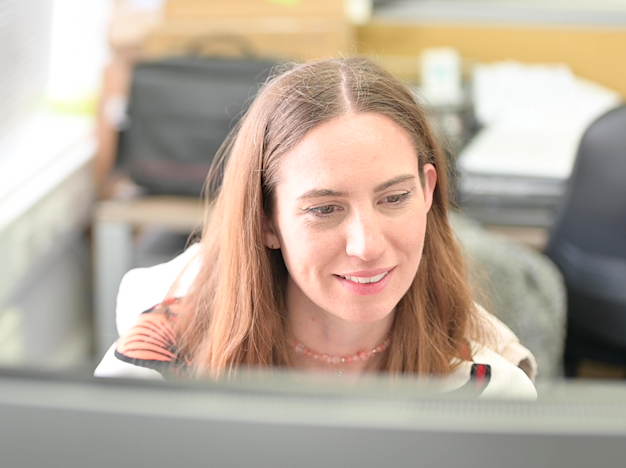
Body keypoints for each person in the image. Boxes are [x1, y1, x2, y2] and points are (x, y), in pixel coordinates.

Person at [95, 57, 537, 399]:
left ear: (426, 192)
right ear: (266, 221)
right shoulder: (149, 380)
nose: (367, 246)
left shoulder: (490, 395)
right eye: (325, 209)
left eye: (394, 198)